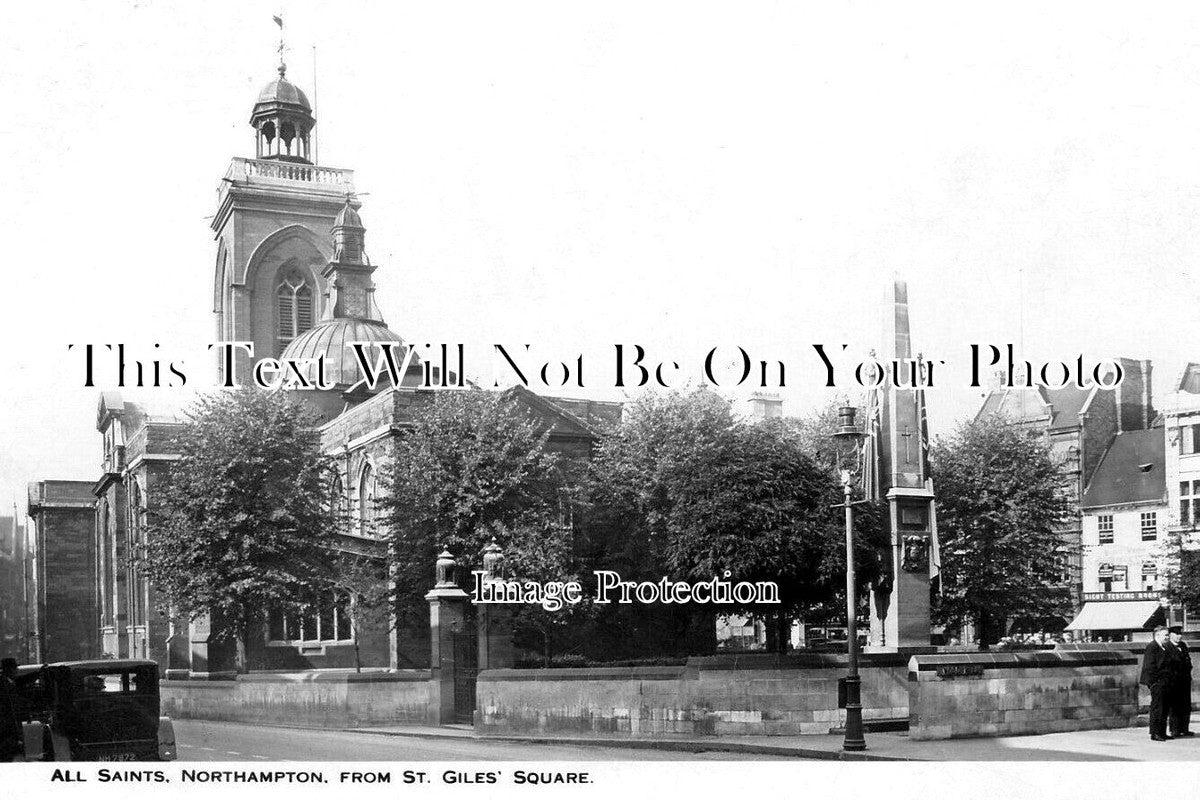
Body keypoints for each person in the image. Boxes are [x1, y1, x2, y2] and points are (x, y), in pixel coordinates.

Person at [1141, 625, 1181, 741]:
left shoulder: (1164, 647)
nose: (1167, 637)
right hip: (1158, 683)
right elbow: (1150, 666)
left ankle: (1162, 731)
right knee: (1157, 708)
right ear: (1157, 635)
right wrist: (1155, 682)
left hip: (1165, 683)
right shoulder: (1152, 647)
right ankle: (1155, 732)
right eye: (1166, 635)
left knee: (1164, 708)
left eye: (1168, 635)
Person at [1168, 626, 1194, 738]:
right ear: (1170, 635)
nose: (1179, 636)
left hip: (1185, 680)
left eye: (1180, 634)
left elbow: (1187, 661)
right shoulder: (1167, 647)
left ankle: (1184, 728)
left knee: (1185, 705)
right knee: (1174, 706)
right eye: (1176, 634)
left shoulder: (1183, 646)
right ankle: (1175, 729)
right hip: (1174, 681)